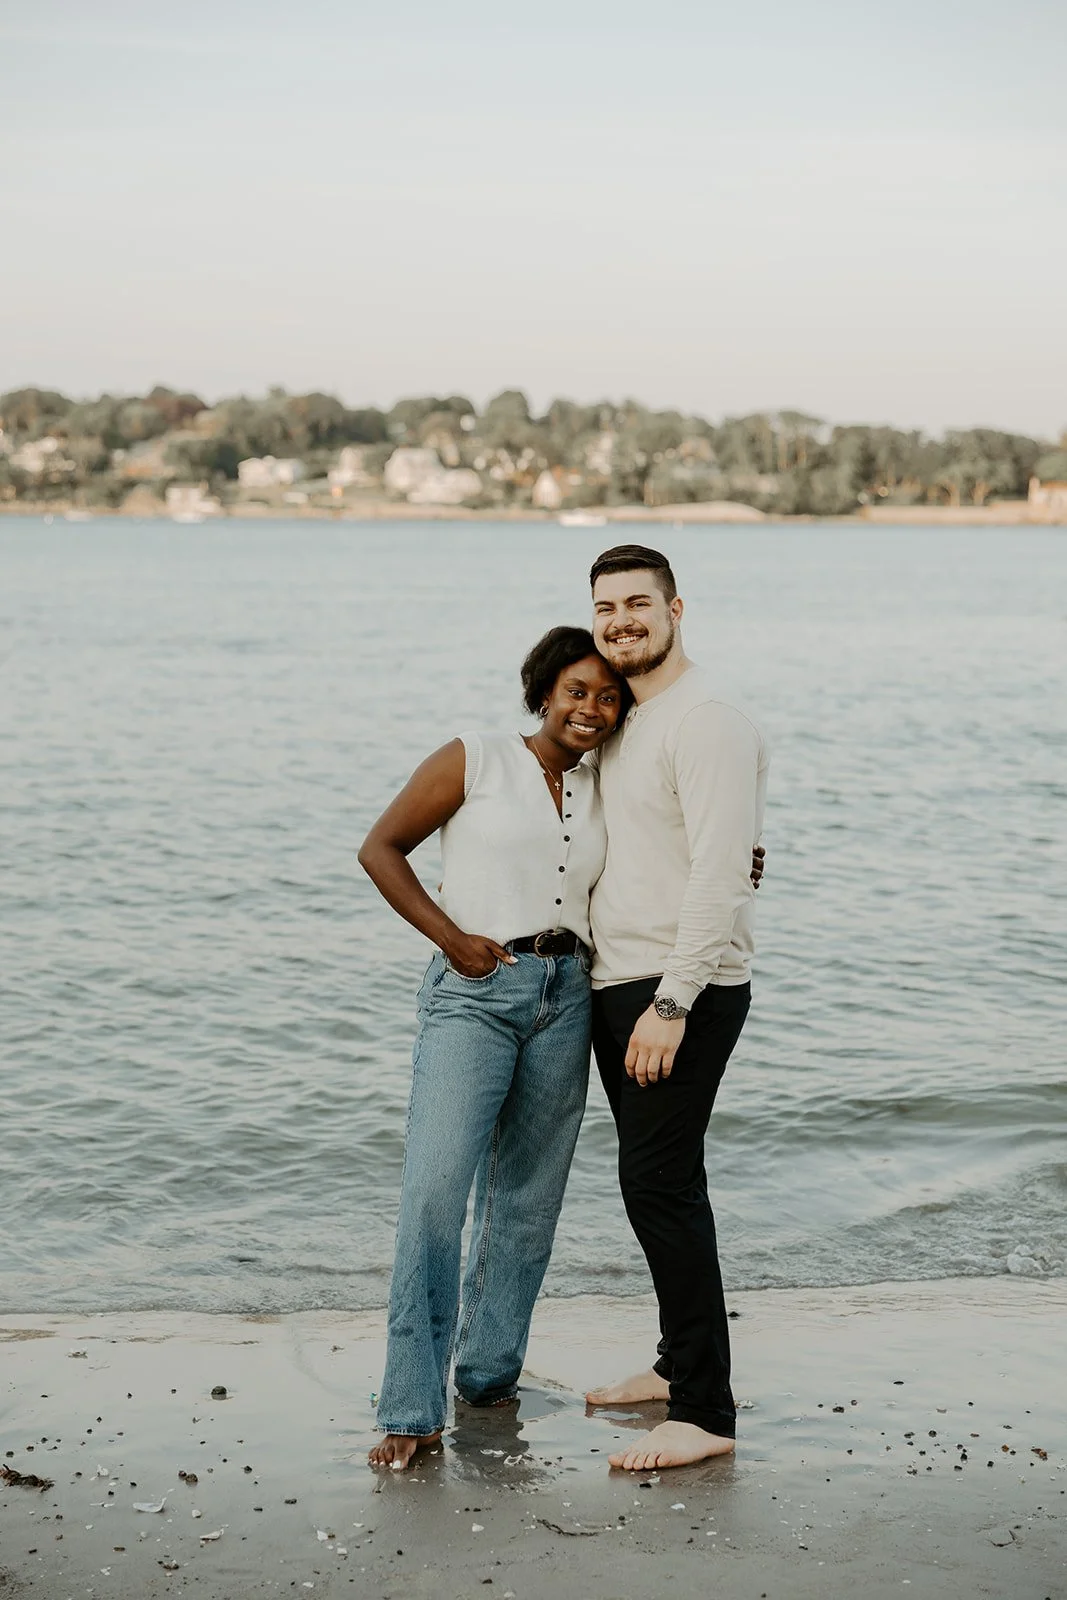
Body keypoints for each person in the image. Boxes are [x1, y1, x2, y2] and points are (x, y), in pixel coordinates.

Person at [357, 627, 629, 1469]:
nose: (591, 708)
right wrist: (454, 940)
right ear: (543, 691)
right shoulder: (474, 756)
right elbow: (380, 849)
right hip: (476, 992)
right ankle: (409, 1406)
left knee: (524, 1205)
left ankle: (486, 1376)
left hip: (568, 997)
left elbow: (665, 853)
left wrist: (742, 859)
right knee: (436, 1196)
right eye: (576, 690)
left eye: (608, 696)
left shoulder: (602, 789)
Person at [583, 544, 769, 1472]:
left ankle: (703, 1411)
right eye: (604, 607)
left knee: (661, 1188)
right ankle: (673, 1367)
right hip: (620, 985)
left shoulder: (707, 720)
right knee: (652, 1185)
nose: (620, 620)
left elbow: (722, 868)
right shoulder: (626, 722)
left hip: (675, 993)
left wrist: (671, 1000)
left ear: (675, 608)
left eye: (636, 604)